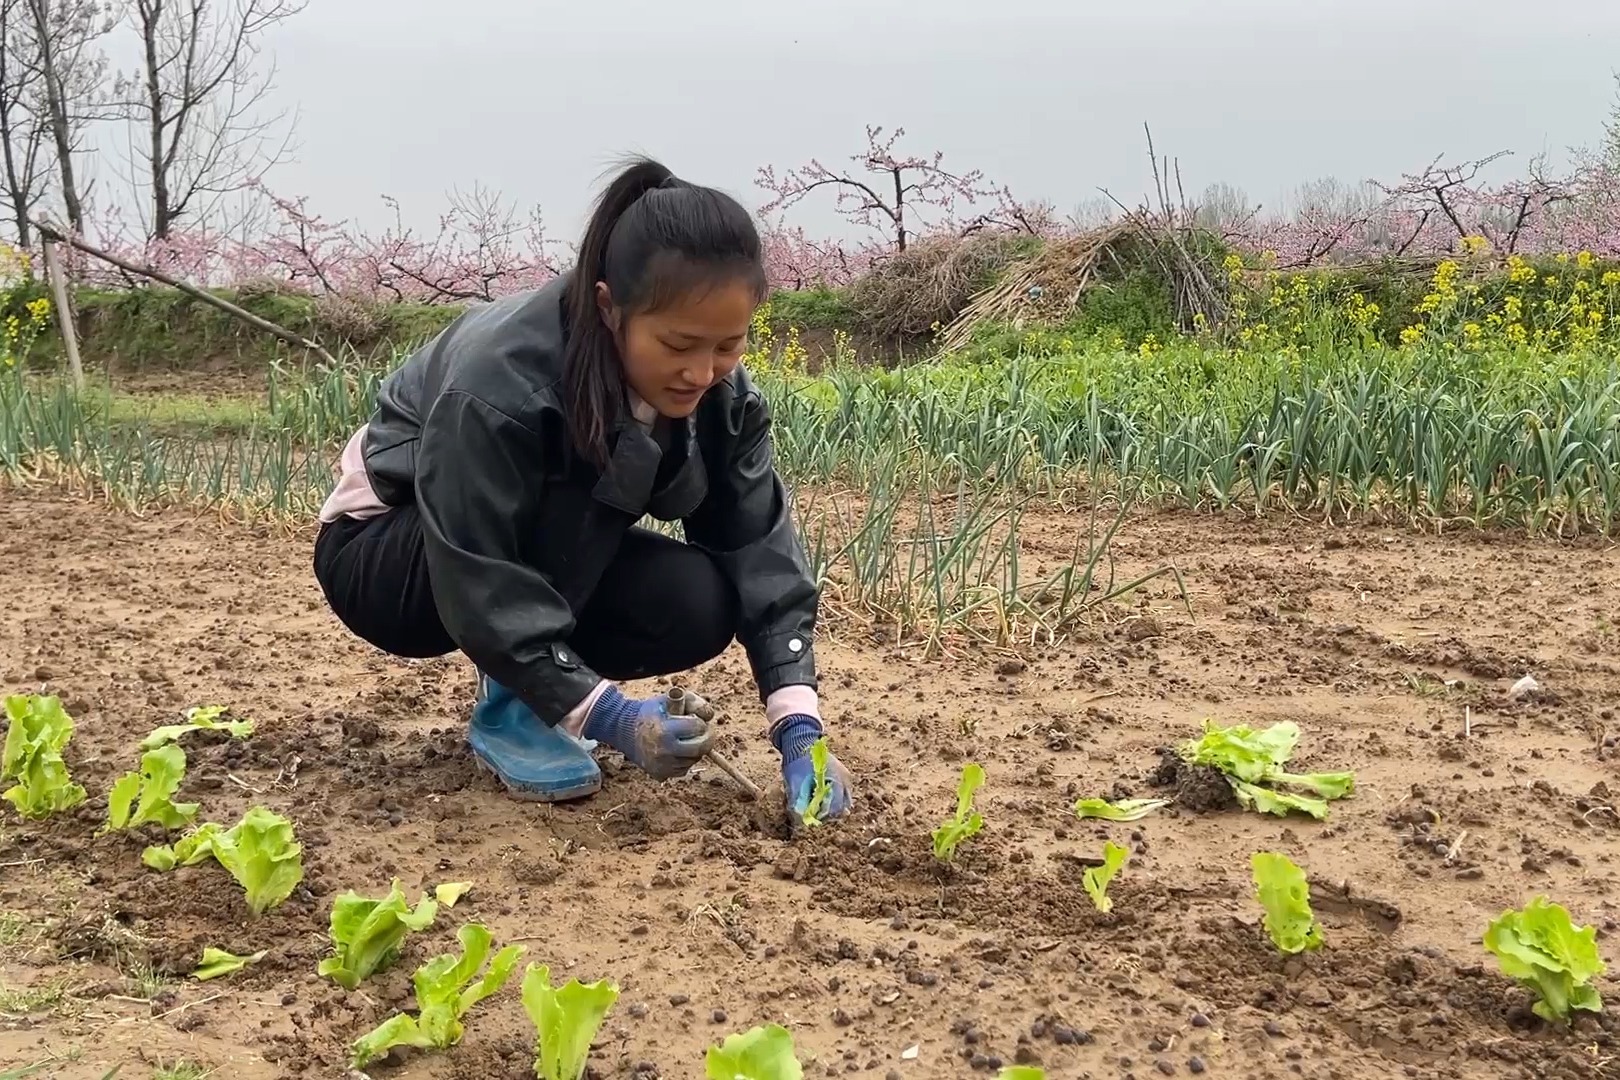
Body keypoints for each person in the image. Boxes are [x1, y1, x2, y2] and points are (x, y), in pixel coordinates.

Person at [311, 157, 852, 824]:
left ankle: (541, 677)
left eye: (727, 347)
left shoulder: (719, 394)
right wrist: (612, 716)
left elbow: (756, 547)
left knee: (697, 600)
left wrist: (800, 729)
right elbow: (474, 561)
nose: (701, 372)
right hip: (391, 556)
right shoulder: (501, 384)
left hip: (529, 549)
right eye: (679, 344)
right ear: (607, 307)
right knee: (580, 493)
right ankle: (521, 706)